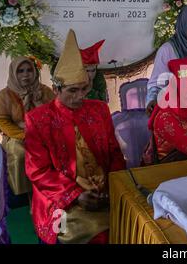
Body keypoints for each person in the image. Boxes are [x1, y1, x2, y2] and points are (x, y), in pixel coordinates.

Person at [25, 29, 126, 244]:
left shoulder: (98, 109)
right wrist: (75, 195)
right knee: (98, 235)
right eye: (72, 91)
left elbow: (114, 153)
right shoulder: (38, 119)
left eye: (84, 89)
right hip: (61, 202)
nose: (80, 96)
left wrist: (111, 187)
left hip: (104, 193)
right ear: (55, 89)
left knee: (135, 223)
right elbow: (38, 171)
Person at [0, 57, 54, 196]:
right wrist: (25, 135)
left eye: (29, 70)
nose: (26, 74)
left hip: (44, 134)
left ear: (35, 72)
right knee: (20, 154)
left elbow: (54, 115)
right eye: (21, 71)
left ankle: (51, 192)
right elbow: (4, 123)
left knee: (57, 151)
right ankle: (22, 195)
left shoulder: (45, 91)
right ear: (13, 73)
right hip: (16, 137)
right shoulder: (4, 95)